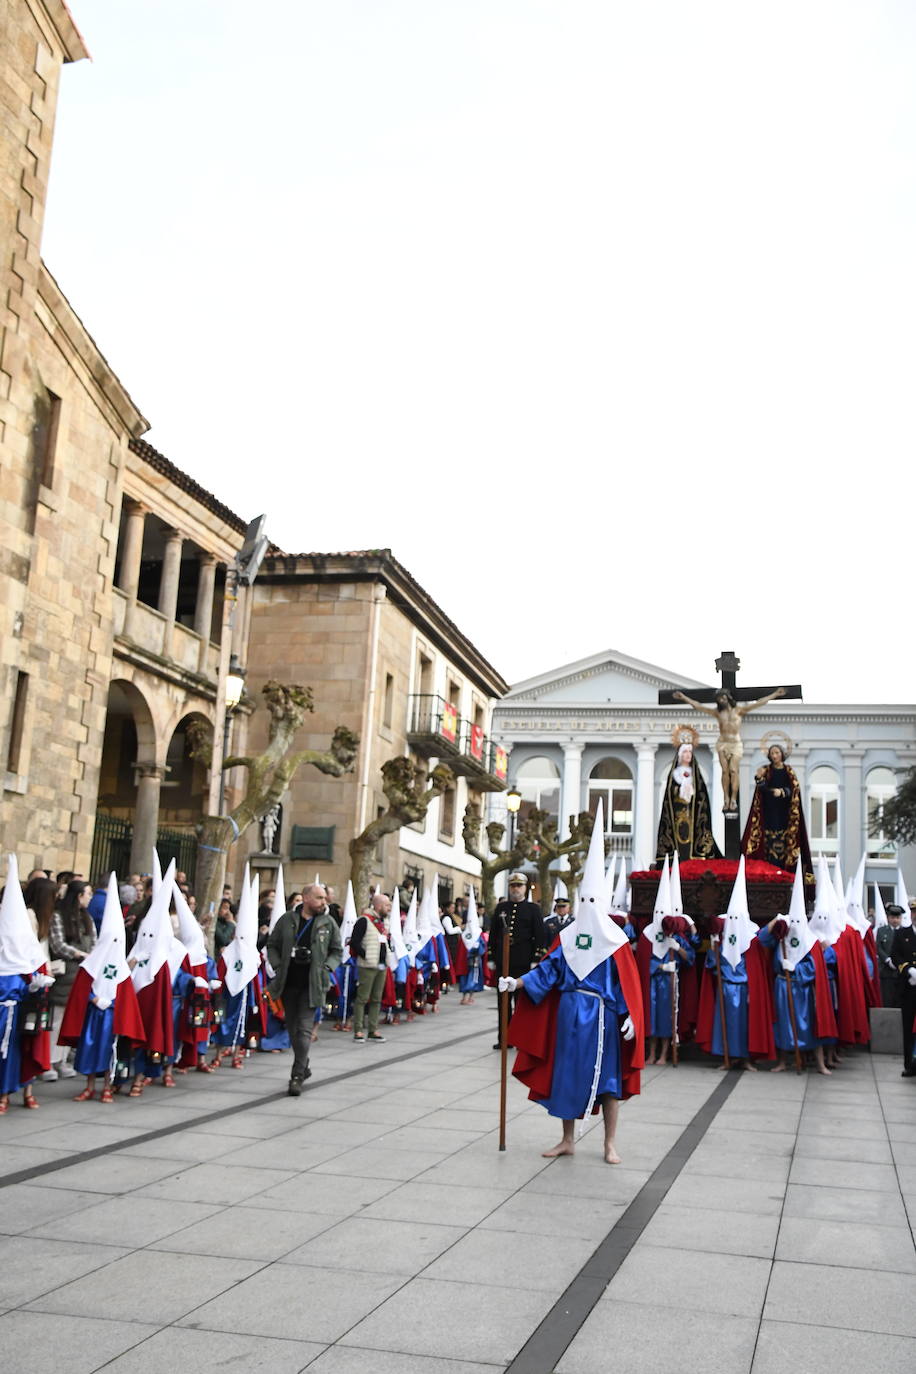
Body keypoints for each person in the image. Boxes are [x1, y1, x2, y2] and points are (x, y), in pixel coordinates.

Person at [505, 803, 643, 1164]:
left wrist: (630, 1015)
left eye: (592, 900)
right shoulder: (567, 938)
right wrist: (516, 984)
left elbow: (627, 985)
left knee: (608, 1082)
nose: (587, 905)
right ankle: (567, 1139)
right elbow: (547, 972)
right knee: (566, 1076)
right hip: (569, 1012)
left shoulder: (616, 941)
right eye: (584, 900)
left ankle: (609, 1143)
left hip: (603, 1016)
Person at [267, 883, 342, 1094]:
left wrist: (327, 968)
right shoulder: (287, 920)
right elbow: (272, 945)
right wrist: (278, 965)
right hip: (288, 982)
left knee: (304, 1029)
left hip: (313, 984)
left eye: (324, 898)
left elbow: (337, 950)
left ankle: (297, 1075)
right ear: (306, 898)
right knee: (292, 1028)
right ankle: (304, 1063)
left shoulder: (328, 922)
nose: (324, 902)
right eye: (319, 898)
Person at [672, 686, 787, 811]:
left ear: (728, 697)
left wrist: (775, 694)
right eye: (719, 699)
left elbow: (758, 703)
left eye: (723, 697)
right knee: (725, 771)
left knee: (733, 770)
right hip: (722, 743)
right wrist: (684, 698)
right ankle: (726, 798)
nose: (721, 700)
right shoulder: (717, 713)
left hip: (735, 744)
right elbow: (698, 706)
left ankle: (733, 798)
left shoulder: (739, 710)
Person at [0, 856, 53, 1112]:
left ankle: (11, 1093)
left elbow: (34, 974)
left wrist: (36, 985)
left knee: (15, 1053)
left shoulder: (26, 957)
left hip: (17, 1017)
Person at [488, 872, 546, 1049]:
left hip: (524, 962)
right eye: (513, 886)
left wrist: (536, 958)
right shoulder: (502, 907)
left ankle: (521, 1040)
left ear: (525, 888)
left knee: (522, 1004)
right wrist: (491, 955)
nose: (516, 889)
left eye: (519, 886)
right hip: (503, 961)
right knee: (503, 1003)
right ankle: (504, 1039)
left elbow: (539, 935)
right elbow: (494, 933)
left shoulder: (533, 909)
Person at [741, 741, 813, 879]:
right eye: (772, 753)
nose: (774, 756)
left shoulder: (788, 771)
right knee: (769, 842)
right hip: (769, 810)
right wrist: (759, 778)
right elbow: (761, 788)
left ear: (782, 754)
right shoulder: (766, 770)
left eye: (777, 753)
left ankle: (785, 872)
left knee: (785, 843)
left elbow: (794, 790)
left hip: (785, 813)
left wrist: (782, 792)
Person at [48, 879, 96, 1077]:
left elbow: (94, 941)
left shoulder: (87, 918)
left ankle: (62, 1059)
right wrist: (79, 954)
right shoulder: (58, 917)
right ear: (79, 895)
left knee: (72, 1019)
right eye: (88, 894)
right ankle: (49, 1061)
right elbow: (57, 944)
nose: (90, 898)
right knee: (56, 1019)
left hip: (81, 974)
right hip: (65, 973)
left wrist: (91, 956)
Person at [655, 740, 721, 862]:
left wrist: (693, 792)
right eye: (685, 751)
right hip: (677, 814)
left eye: (690, 752)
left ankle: (696, 857)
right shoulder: (675, 774)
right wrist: (679, 790)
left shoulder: (695, 775)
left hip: (693, 815)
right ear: (680, 754)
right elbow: (669, 795)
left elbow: (702, 795)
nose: (688, 754)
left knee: (692, 836)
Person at [349, 892, 391, 1043]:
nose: (389, 908)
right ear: (378, 906)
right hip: (368, 965)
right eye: (387, 905)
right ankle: (358, 1030)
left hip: (382, 964)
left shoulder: (384, 922)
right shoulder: (364, 920)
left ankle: (373, 1029)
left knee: (377, 999)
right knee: (362, 998)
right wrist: (365, 955)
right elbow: (354, 941)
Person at [890, 905, 916, 1077]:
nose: (915, 915)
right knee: (908, 1027)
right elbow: (895, 955)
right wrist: (908, 970)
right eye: (914, 912)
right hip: (908, 987)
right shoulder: (902, 934)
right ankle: (909, 1065)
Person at [877, 904, 903, 1008]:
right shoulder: (882, 931)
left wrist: (899, 961)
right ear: (888, 918)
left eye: (897, 918)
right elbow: (878, 947)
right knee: (887, 1000)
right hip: (886, 971)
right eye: (892, 917)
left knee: (901, 1000)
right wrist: (887, 960)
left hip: (901, 971)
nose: (895, 920)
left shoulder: (905, 932)